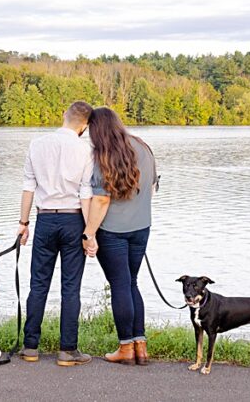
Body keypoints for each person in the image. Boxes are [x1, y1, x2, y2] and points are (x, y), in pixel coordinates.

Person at [16, 100, 95, 366]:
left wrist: (23, 223)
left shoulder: (37, 144)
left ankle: (30, 347)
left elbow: (28, 186)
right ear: (84, 126)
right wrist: (89, 233)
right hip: (74, 220)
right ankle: (67, 350)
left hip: (45, 221)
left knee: (38, 284)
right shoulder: (86, 151)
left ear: (65, 116)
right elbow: (86, 193)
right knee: (70, 288)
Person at [81, 107, 159, 365]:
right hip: (141, 228)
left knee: (121, 285)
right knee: (132, 283)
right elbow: (153, 187)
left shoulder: (104, 155)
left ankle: (126, 348)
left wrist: (88, 234)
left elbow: (101, 201)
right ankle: (140, 346)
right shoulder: (143, 147)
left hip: (112, 231)